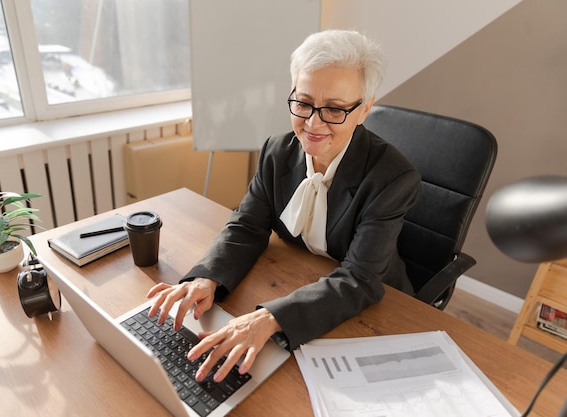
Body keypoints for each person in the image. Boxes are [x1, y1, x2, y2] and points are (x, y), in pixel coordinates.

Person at [147, 29, 421, 384]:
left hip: (372, 311)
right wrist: (207, 277)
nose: (312, 123)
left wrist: (267, 319)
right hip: (298, 276)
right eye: (303, 102)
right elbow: (247, 226)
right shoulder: (277, 152)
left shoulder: (393, 177)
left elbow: (360, 280)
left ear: (365, 108)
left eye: (335, 109)